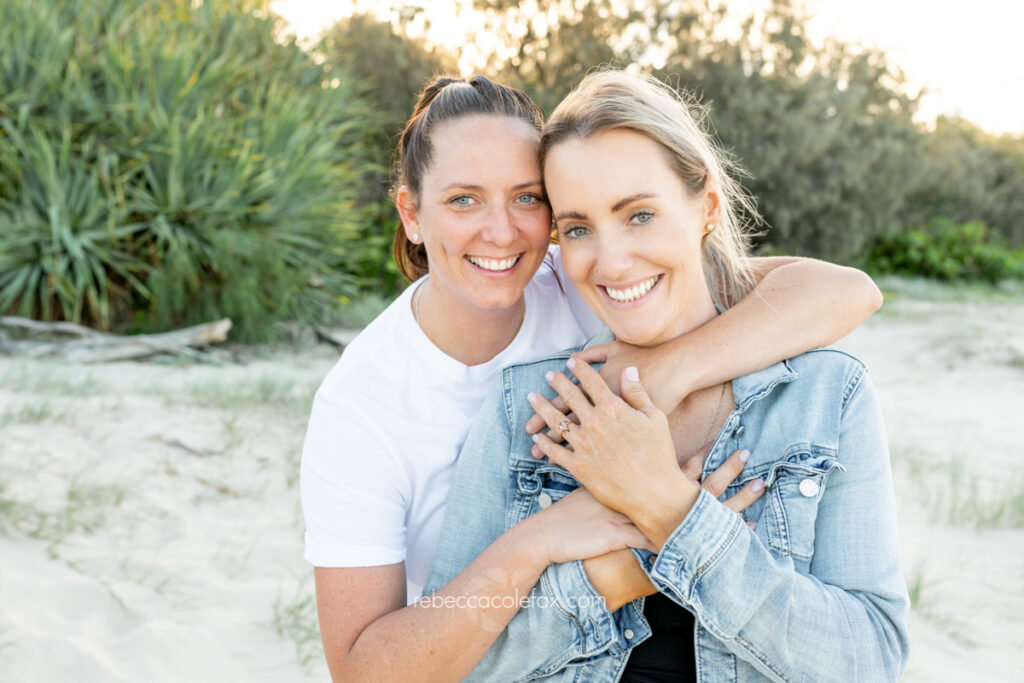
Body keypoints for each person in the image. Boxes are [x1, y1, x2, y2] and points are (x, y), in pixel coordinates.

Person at [301, 74, 885, 682]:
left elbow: (844, 289)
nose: (501, 232)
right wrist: (555, 543)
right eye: (462, 199)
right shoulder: (376, 407)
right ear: (412, 214)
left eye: (528, 198)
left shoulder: (587, 280)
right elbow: (370, 671)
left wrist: (668, 372)